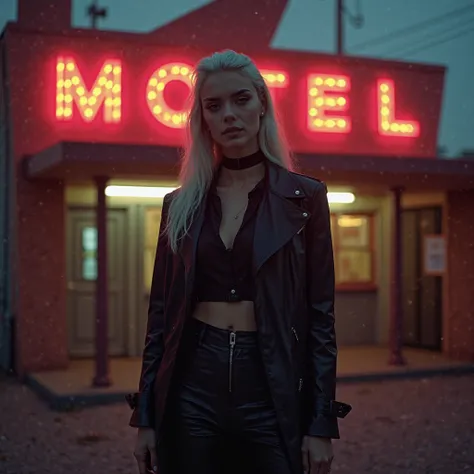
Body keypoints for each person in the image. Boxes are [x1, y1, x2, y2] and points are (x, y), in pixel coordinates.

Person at [127, 49, 351, 474]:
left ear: (262, 104)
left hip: (270, 380)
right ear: (203, 119)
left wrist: (321, 422)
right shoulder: (180, 206)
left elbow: (321, 318)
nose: (229, 114)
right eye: (214, 105)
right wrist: (146, 417)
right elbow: (161, 319)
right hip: (192, 380)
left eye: (241, 99)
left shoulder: (304, 199)